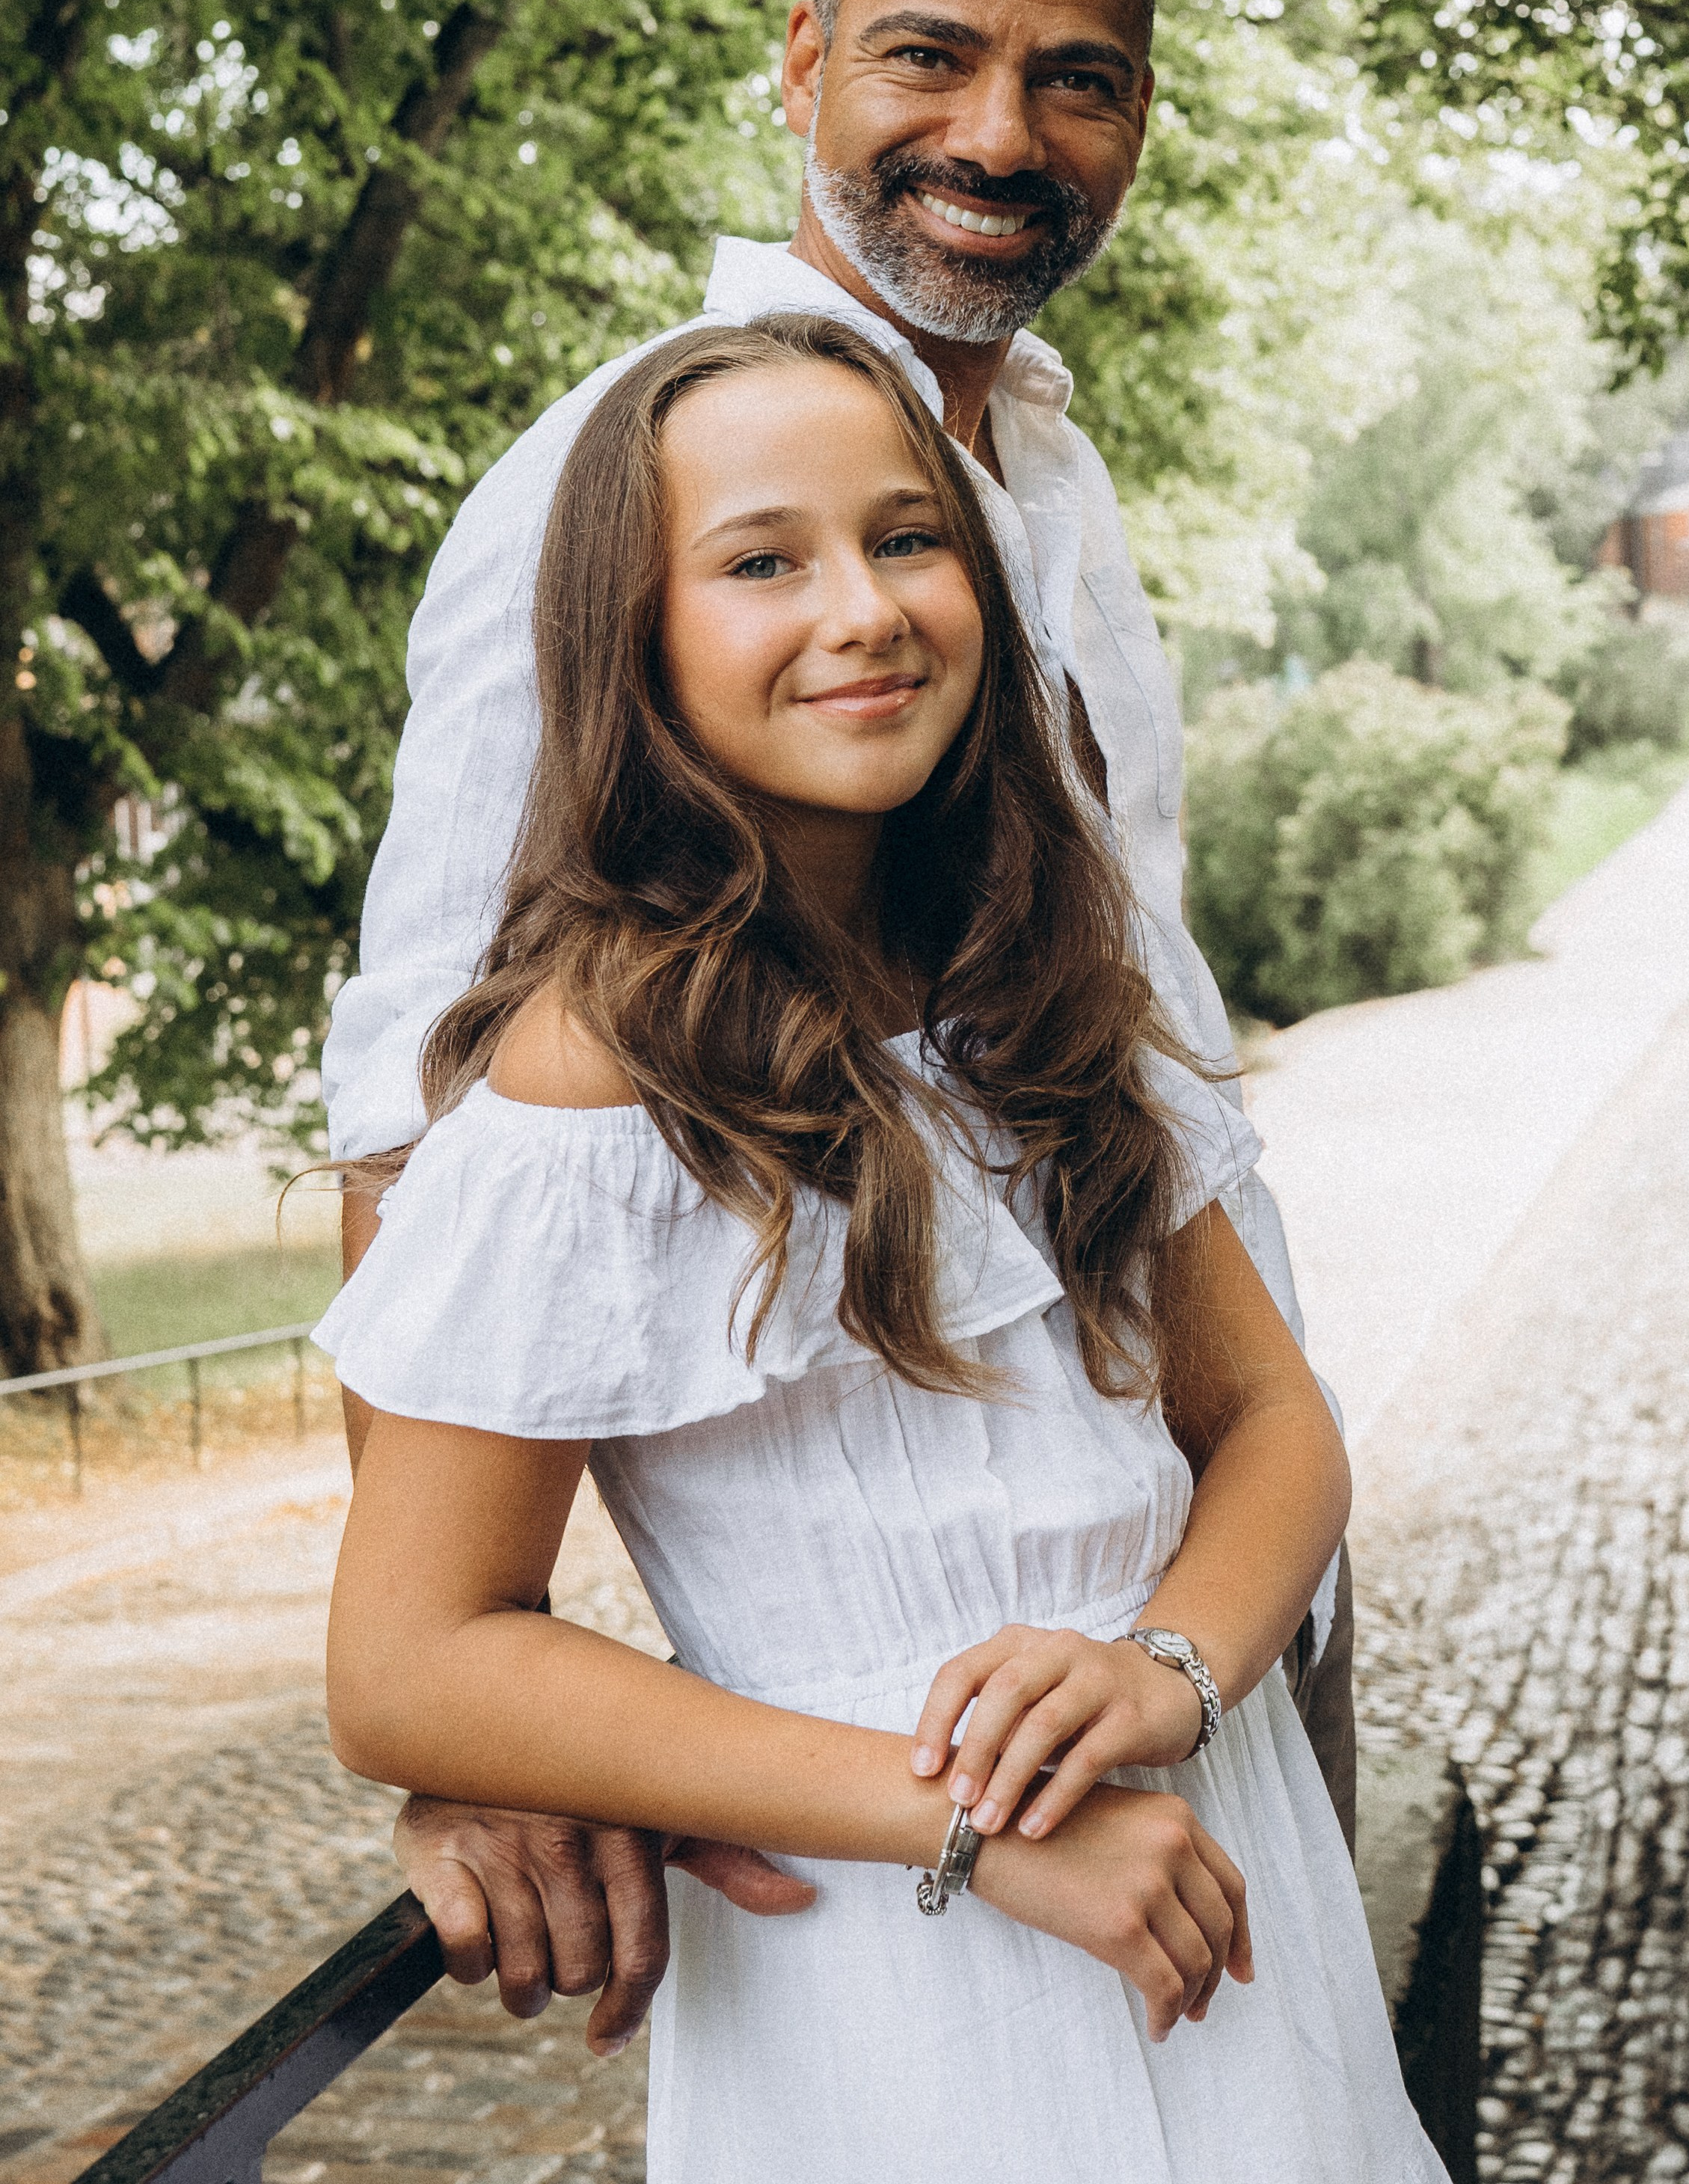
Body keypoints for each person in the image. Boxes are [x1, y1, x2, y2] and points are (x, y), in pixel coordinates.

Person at [321, 0, 1355, 2053]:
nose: (999, 133)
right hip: (932, 1803)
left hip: (1205, 1622)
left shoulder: (1041, 472)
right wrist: (474, 1733)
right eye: (928, 54)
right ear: (801, 62)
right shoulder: (626, 477)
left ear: (1137, 122)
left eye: (1075, 77)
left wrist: (1203, 1636)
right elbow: (424, 1107)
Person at [319, 316, 1442, 2184]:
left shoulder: (1041, 972)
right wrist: (968, 1827)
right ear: (639, 636)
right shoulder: (601, 1066)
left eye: (909, 539)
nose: (864, 608)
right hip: (903, 1954)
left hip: (1222, 1882)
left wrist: (1170, 1668)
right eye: (763, 560)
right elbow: (410, 1658)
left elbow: (1271, 1416)